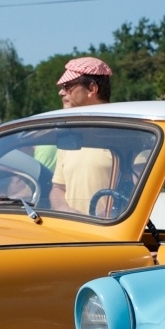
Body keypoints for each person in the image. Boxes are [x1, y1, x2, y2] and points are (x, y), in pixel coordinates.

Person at [43, 56, 118, 215]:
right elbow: (58, 188)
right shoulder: (69, 137)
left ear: (91, 89)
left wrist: (107, 216)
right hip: (71, 229)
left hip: (111, 229)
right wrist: (65, 210)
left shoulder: (124, 134)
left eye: (68, 86)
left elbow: (138, 188)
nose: (61, 92)